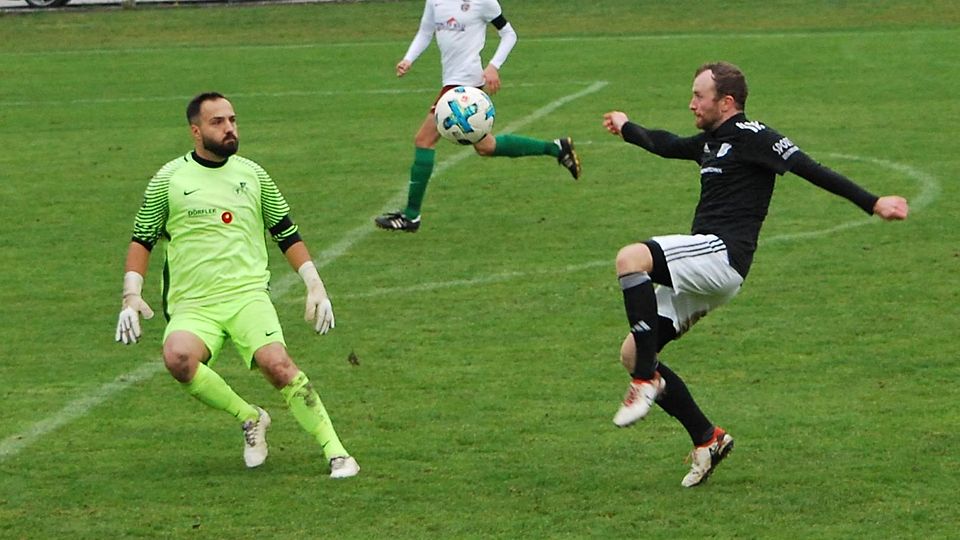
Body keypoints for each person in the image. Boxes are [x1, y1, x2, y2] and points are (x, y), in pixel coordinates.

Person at [601, 62, 908, 487]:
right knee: (633, 349)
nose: (692, 103)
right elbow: (666, 143)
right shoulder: (710, 143)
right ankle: (707, 438)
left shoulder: (755, 137)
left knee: (630, 258)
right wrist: (628, 126)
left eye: (699, 96)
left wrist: (872, 202)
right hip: (707, 270)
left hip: (723, 255)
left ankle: (644, 380)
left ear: (726, 102)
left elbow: (810, 168)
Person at [115, 92, 360, 479]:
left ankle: (338, 452)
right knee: (178, 358)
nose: (229, 128)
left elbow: (286, 232)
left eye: (232, 120)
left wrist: (315, 285)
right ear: (196, 131)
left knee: (277, 365)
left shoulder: (254, 174)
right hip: (193, 303)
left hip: (247, 296)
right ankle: (250, 417)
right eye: (218, 122)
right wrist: (131, 295)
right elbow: (141, 238)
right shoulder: (169, 180)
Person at [374, 0, 581, 232]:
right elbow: (425, 31)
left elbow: (509, 34)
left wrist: (493, 66)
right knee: (486, 146)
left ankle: (411, 217)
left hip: (465, 86)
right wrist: (408, 59)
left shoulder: (482, 1)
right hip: (452, 82)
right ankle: (556, 148)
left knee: (424, 139)